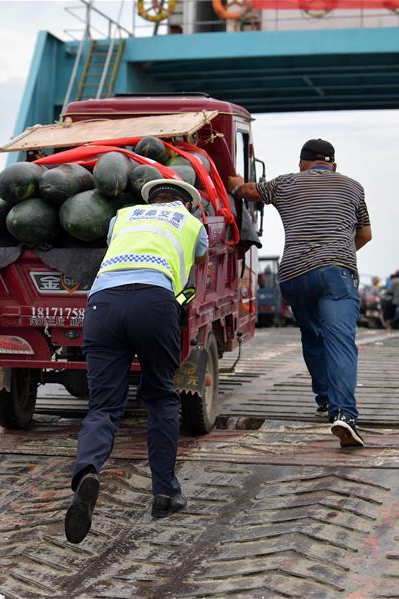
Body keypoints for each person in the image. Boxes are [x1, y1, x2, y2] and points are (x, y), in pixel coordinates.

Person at [65, 179, 208, 544]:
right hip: (154, 303)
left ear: (152, 199)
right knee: (160, 397)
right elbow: (203, 254)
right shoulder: (191, 224)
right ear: (186, 204)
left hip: (103, 304)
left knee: (103, 407)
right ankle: (164, 493)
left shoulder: (122, 216)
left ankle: (87, 474)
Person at [228, 138, 371, 448]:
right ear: (333, 165)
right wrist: (340, 253)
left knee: (313, 334)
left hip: (295, 275)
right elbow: (365, 234)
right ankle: (344, 414)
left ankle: (323, 398)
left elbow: (248, 191)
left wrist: (235, 182)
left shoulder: (285, 183)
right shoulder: (354, 187)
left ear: (302, 164)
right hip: (336, 272)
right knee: (341, 341)